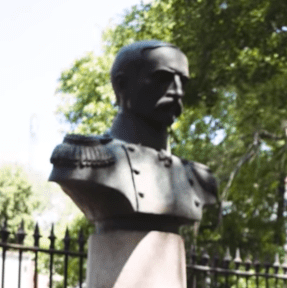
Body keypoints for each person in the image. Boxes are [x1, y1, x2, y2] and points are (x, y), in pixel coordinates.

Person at [49, 40, 216, 232]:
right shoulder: (82, 159)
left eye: (183, 82)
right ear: (122, 85)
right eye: (163, 78)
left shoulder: (198, 178)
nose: (177, 91)